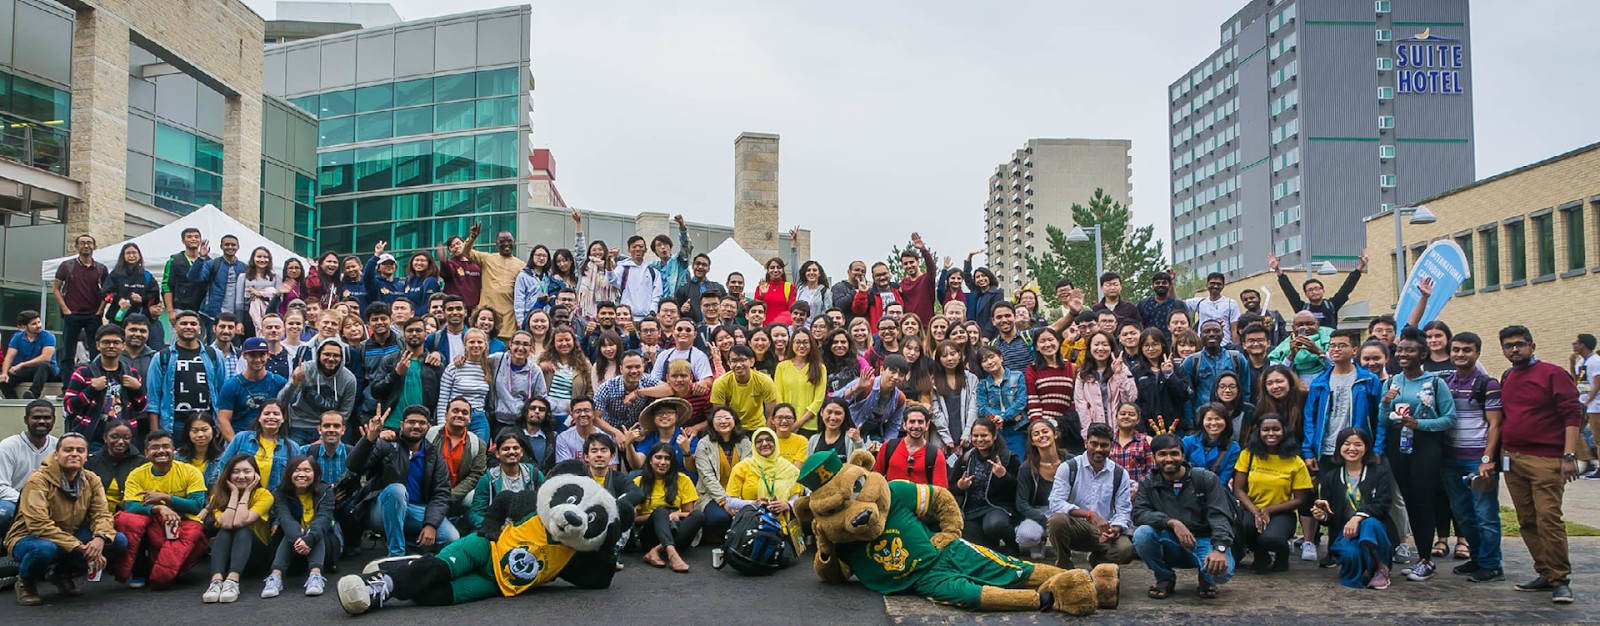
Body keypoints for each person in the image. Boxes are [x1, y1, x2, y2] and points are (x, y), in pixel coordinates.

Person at [1496, 325, 1582, 603]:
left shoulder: (1553, 374)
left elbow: (1572, 415)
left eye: (1520, 344)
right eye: (1508, 346)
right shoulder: (1508, 375)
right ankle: (1544, 572)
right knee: (1527, 520)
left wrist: (1569, 456)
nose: (1514, 349)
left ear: (1532, 346)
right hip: (1512, 458)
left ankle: (1560, 579)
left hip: (1546, 459)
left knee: (1549, 519)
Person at [5, 433, 124, 606]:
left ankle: (61, 574)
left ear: (86, 456)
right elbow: (39, 525)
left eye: (80, 450)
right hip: (30, 537)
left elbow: (102, 514)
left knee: (117, 541)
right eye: (68, 450)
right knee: (45, 549)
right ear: (56, 454)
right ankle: (25, 580)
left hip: (70, 534)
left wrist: (100, 537)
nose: (74, 454)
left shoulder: (92, 479)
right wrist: (78, 546)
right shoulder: (37, 481)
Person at [1382, 328, 1457, 582]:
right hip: (1398, 445)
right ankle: (1420, 555)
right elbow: (1382, 420)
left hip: (1425, 445)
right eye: (1400, 350)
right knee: (1410, 500)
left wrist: (1420, 425)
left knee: (1423, 501)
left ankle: (1426, 559)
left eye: (1409, 350)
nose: (1403, 354)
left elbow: (1449, 418)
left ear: (1422, 354)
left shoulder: (1436, 383)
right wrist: (1385, 403)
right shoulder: (1391, 382)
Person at [1131, 434, 1236, 600]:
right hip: (1170, 541)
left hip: (1204, 540)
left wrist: (1220, 548)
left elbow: (1220, 515)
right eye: (1162, 454)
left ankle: (1206, 578)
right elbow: (1139, 513)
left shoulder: (1205, 478)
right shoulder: (1148, 482)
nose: (1168, 459)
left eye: (1174, 453)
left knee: (1221, 574)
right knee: (1142, 534)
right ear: (1154, 457)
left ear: (1183, 455)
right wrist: (1171, 522)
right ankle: (1165, 577)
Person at [350, 406, 460, 557]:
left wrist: (431, 524)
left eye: (421, 423)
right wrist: (369, 439)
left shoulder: (434, 456)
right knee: (397, 490)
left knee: (451, 537)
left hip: (414, 510)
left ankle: (408, 542)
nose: (416, 426)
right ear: (402, 425)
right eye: (411, 422)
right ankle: (396, 554)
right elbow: (354, 465)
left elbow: (441, 494)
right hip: (380, 510)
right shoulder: (386, 444)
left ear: (428, 427)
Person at [1439, 331, 1505, 583]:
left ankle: (1491, 565)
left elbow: (1495, 425)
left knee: (1485, 514)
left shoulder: (1488, 384)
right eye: (1456, 350)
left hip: (1478, 460)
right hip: (1450, 460)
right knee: (1463, 513)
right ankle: (1477, 559)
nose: (1460, 354)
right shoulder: (1446, 383)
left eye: (1467, 350)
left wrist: (1487, 460)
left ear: (1477, 353)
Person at [110, 430, 208, 589]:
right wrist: (159, 508)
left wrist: (166, 497)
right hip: (152, 521)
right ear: (146, 453)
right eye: (155, 447)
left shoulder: (190, 471)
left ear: (173, 450)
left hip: (184, 521)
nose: (161, 451)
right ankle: (139, 572)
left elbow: (196, 506)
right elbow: (131, 505)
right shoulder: (137, 474)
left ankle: (162, 573)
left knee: (192, 534)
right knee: (127, 520)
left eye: (166, 447)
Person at [1311, 427, 1396, 590]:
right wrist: (1322, 516)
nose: (1352, 448)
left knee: (1369, 523)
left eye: (1358, 444)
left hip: (1377, 530)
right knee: (1351, 555)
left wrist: (1357, 518)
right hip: (1346, 533)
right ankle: (1360, 560)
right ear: (1339, 447)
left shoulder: (1380, 473)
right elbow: (1330, 516)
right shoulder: (1331, 478)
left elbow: (1383, 504)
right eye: (1346, 444)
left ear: (1366, 447)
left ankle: (1382, 568)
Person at [1044, 422, 1136, 569]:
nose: (1098, 449)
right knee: (1057, 520)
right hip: (1076, 527)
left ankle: (1098, 562)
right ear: (1086, 443)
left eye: (1104, 445)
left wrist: (1116, 529)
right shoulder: (1069, 467)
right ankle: (1064, 564)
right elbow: (1056, 503)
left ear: (1111, 446)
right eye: (1094, 444)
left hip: (1104, 530)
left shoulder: (1119, 473)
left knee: (1125, 550)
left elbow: (1123, 511)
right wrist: (1089, 514)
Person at [1232, 413, 1311, 574]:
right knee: (1244, 527)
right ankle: (1261, 555)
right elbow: (1238, 489)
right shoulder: (1248, 455)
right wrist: (1256, 512)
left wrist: (1269, 510)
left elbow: (1300, 500)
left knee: (1270, 538)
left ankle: (1282, 556)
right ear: (1258, 432)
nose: (1271, 434)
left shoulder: (1295, 461)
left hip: (1281, 513)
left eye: (1276, 429)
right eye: (1265, 430)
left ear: (1284, 431)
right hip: (1251, 509)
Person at [200, 454, 274, 603]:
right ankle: (216, 581)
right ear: (228, 475)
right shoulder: (218, 496)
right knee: (225, 530)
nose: (241, 476)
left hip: (256, 556)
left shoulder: (264, 495)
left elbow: (240, 521)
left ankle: (233, 581)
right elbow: (227, 524)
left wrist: (246, 493)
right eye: (236, 472)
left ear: (255, 474)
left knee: (242, 530)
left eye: (247, 471)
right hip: (228, 556)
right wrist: (234, 493)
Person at [722, 426, 805, 553]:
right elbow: (730, 501)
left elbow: (797, 499)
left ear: (776, 443)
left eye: (769, 440)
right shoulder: (743, 467)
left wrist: (786, 505)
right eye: (759, 441)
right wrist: (754, 504)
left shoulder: (790, 470)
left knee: (780, 558)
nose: (765, 443)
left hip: (782, 523)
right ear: (754, 445)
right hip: (752, 522)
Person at [63, 326, 147, 447]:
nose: (111, 346)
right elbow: (68, 407)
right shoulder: (83, 372)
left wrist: (138, 389)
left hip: (124, 440)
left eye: (116, 342)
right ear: (98, 345)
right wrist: (91, 390)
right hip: (92, 438)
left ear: (123, 346)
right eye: (106, 342)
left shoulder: (131, 373)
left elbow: (140, 408)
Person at [146, 310, 226, 435]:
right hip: (175, 425)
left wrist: (222, 425)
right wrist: (155, 433)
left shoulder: (214, 355)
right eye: (184, 323)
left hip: (207, 424)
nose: (189, 327)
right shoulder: (162, 357)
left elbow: (223, 394)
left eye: (193, 324)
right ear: (175, 328)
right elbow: (153, 399)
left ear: (199, 329)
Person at [263, 455, 333, 598]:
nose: (302, 474)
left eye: (307, 470)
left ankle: (315, 575)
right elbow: (284, 517)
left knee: (316, 527)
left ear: (315, 473)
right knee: (289, 528)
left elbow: (324, 518)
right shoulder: (280, 493)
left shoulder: (325, 491)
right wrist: (300, 538)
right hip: (292, 545)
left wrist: (309, 538)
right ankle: (275, 577)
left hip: (322, 546)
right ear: (289, 474)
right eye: (297, 470)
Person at [949, 419, 1020, 553]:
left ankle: (1012, 543)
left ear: (994, 436)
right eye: (976, 436)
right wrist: (960, 487)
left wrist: (1004, 477)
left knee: (994, 526)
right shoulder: (966, 458)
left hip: (997, 507)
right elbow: (951, 487)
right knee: (973, 548)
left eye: (984, 435)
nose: (979, 439)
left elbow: (1018, 489)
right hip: (971, 511)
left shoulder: (1008, 458)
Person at [634, 442, 701, 573]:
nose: (663, 462)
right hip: (650, 535)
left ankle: (657, 550)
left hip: (676, 528)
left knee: (699, 515)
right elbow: (634, 520)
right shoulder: (638, 482)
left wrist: (677, 514)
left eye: (667, 458)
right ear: (650, 461)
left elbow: (689, 513)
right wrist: (658, 516)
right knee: (660, 511)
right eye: (658, 457)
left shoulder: (683, 480)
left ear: (672, 462)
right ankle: (672, 554)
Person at [279, 338, 357, 445]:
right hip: (301, 424)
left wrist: (326, 435)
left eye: (336, 355)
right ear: (319, 355)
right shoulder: (305, 369)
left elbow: (345, 413)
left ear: (342, 358)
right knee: (296, 458)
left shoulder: (349, 379)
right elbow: (282, 400)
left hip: (330, 426)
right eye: (327, 354)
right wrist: (294, 383)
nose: (331, 359)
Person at [0, 400, 60, 538]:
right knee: (4, 511)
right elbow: (1, 487)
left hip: (48, 503)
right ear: (26, 420)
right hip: (13, 501)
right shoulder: (8, 446)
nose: (42, 421)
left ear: (54, 420)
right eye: (36, 417)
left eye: (47, 417)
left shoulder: (58, 446)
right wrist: (31, 503)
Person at [693, 405, 751, 543]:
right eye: (718, 418)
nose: (723, 421)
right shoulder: (704, 444)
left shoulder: (745, 442)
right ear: (712, 423)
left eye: (727, 418)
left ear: (735, 421)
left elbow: (748, 472)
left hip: (739, 494)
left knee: (745, 515)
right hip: (711, 495)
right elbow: (707, 477)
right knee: (720, 517)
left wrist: (736, 501)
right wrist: (725, 501)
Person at [1267, 249, 1367, 327]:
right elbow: (1289, 291)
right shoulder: (1302, 308)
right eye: (1310, 290)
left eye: (1317, 288)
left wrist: (1361, 266)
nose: (1314, 292)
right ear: (1305, 294)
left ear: (1323, 291)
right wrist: (1277, 270)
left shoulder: (1332, 305)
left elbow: (1346, 288)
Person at [212, 337, 287, 442]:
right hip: (241, 437)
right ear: (244, 356)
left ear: (268, 355)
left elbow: (287, 413)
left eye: (262, 355)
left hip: (272, 438)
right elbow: (223, 419)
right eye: (253, 355)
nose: (257, 360)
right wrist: (236, 445)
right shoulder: (232, 385)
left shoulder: (279, 382)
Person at [458, 223, 525, 338]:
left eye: (509, 241)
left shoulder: (522, 265)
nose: (506, 244)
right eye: (502, 241)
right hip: (486, 317)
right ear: (496, 243)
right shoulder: (487, 258)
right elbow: (465, 252)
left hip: (508, 319)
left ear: (514, 242)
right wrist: (473, 237)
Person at [219, 399, 301, 490]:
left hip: (274, 500)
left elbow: (294, 479)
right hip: (237, 495)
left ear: (283, 419)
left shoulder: (293, 447)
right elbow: (223, 466)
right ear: (259, 417)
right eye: (266, 413)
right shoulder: (241, 438)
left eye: (276, 414)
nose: (271, 417)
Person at [467, 433, 543, 531]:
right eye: (506, 449)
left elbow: (546, 505)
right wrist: (493, 529)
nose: (511, 452)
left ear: (521, 452)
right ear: (497, 454)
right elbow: (476, 513)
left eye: (515, 448)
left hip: (530, 530)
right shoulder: (488, 479)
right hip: (498, 532)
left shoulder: (535, 475)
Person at [429, 397, 489, 519]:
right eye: (455, 411)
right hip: (428, 494)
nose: (460, 415)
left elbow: (476, 475)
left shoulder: (477, 444)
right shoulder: (430, 435)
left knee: (477, 496)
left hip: (456, 497)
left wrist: (451, 495)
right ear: (446, 415)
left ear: (470, 419)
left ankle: (465, 524)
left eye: (465, 413)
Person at [55, 234, 110, 363]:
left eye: (89, 243)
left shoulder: (101, 269)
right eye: (82, 243)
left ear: (94, 246)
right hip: (72, 314)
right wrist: (65, 309)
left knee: (96, 351)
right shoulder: (67, 266)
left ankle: (94, 379)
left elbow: (108, 292)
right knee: (68, 351)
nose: (86, 245)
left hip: (93, 315)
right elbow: (56, 288)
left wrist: (100, 310)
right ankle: (67, 381)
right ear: (76, 246)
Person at [1074, 331, 1137, 443]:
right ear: (1090, 348)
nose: (1100, 348)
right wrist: (1087, 433)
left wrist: (1118, 374)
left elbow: (1130, 399)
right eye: (1096, 344)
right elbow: (1081, 406)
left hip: (1120, 430)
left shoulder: (1122, 369)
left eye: (1105, 344)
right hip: (1095, 431)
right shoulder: (1083, 374)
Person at [1182, 320, 1251, 420]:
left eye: (1216, 331)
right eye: (1207, 331)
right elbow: (1187, 397)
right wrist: (1190, 425)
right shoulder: (1192, 362)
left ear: (1223, 334)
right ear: (1200, 335)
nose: (1211, 334)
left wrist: (1244, 419)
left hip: (1232, 417)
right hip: (1203, 419)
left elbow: (1245, 392)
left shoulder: (1237, 359)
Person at [436, 329, 496, 443]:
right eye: (472, 342)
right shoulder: (453, 368)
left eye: (479, 342)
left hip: (478, 418)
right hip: (456, 416)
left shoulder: (490, 367)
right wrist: (442, 425)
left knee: (478, 454)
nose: (476, 345)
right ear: (465, 344)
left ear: (485, 345)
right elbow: (443, 400)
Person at [1013, 420, 1062, 559]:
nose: (1041, 435)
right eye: (1036, 434)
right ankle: (1039, 541)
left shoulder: (1070, 462)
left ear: (1055, 434)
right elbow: (1021, 503)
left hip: (1064, 510)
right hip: (1038, 511)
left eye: (1045, 431)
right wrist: (1044, 521)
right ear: (1032, 441)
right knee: (1026, 535)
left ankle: (1064, 545)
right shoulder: (1026, 468)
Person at [835, 354, 910, 444]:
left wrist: (887, 446)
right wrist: (857, 388)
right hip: (849, 431)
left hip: (873, 435)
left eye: (901, 375)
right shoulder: (866, 384)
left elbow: (893, 426)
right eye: (892, 372)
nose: (896, 377)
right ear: (882, 370)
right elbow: (834, 399)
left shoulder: (900, 399)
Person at [1131, 328, 1192, 433]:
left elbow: (1185, 394)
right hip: (1148, 430)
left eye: (1155, 344)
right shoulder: (1137, 372)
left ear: (1163, 345)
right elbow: (1135, 402)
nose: (1151, 349)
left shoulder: (1176, 368)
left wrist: (1169, 374)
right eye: (1146, 345)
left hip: (1174, 428)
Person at [187, 234, 247, 338]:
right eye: (226, 244)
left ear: (238, 247)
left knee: (234, 347)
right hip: (214, 315)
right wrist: (201, 258)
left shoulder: (244, 267)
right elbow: (193, 277)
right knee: (214, 346)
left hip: (236, 316)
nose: (230, 247)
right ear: (221, 246)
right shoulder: (213, 264)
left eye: (233, 245)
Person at [871, 405, 946, 487]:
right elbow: (876, 479)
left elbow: (941, 491)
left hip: (921, 499)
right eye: (912, 421)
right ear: (904, 425)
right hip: (891, 499)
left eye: (920, 422)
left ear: (927, 425)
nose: (916, 426)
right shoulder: (889, 446)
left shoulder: (935, 454)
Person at [711, 346, 778, 432]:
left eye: (743, 360)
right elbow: (719, 416)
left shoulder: (764, 381)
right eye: (734, 361)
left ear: (752, 361)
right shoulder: (720, 383)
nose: (739, 365)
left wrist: (766, 435)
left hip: (757, 427)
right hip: (731, 428)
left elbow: (771, 414)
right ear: (729, 363)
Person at [973, 346, 1027, 452]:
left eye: (991, 357)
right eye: (984, 361)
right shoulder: (983, 385)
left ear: (1001, 358)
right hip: (995, 431)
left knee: (1017, 462)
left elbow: (1021, 401)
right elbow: (982, 408)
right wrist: (1004, 416)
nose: (989, 362)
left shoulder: (1018, 376)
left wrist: (1005, 416)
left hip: (1017, 428)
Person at [931, 340, 979, 454]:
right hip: (941, 437)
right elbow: (935, 412)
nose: (949, 359)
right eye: (944, 356)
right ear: (938, 359)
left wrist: (967, 434)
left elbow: (974, 408)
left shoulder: (971, 379)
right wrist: (946, 438)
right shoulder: (933, 382)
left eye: (953, 354)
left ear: (959, 355)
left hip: (967, 435)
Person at [1, 310, 57, 400]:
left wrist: (21, 364)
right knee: (4, 380)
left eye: (39, 322)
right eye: (34, 324)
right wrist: (4, 373)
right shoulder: (17, 337)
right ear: (23, 327)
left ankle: (33, 394)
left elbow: (46, 358)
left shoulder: (48, 336)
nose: (39, 326)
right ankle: (14, 400)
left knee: (42, 365)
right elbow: (9, 357)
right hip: (28, 370)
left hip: (47, 371)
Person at [1183, 403, 1241, 486]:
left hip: (1217, 491)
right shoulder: (1188, 442)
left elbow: (1224, 479)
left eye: (1218, 419)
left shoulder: (1233, 448)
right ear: (1202, 421)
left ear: (1226, 421)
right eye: (1209, 419)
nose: (1213, 423)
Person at [1268, 311, 1332, 379]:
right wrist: (1292, 355)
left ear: (1318, 325)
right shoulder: (1284, 346)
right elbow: (1277, 375)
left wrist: (1318, 351)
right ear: (1293, 328)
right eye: (1300, 325)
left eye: (1310, 324)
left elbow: (1340, 365)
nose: (1306, 328)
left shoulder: (1330, 339)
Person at [1572, 333, 1600, 477]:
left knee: (1597, 437)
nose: (1574, 345)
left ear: (1583, 344)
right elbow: (1577, 381)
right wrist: (1572, 364)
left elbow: (1597, 381)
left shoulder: (1596, 361)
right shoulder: (1581, 362)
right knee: (1575, 432)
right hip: (1583, 403)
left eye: (1576, 343)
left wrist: (1590, 399)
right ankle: (1587, 461)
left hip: (1595, 405)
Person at [1184, 273, 1240, 345]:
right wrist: (1171, 282)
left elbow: (1234, 329)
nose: (1215, 286)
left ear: (1223, 286)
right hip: (1203, 346)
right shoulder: (1200, 302)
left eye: (1219, 284)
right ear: (1207, 285)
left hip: (1225, 346)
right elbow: (1176, 303)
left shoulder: (1231, 303)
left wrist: (1236, 348)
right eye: (1212, 283)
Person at [1109, 403, 1154, 485]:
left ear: (1138, 420)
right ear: (1116, 417)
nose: (1126, 417)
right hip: (1112, 490)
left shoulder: (1145, 441)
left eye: (1131, 414)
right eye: (1122, 414)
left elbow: (1151, 471)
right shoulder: (1109, 441)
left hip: (1139, 492)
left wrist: (1139, 489)